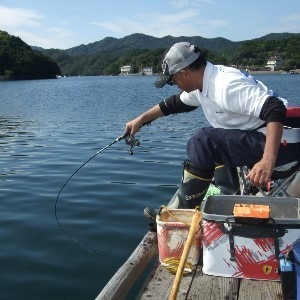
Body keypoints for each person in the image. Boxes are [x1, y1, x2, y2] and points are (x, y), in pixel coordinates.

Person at [125, 42, 300, 215]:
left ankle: (178, 213)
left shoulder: (224, 85)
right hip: (268, 137)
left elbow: (275, 109)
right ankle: (228, 201)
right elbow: (173, 104)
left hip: (285, 144)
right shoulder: (203, 82)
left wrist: (267, 161)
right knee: (217, 135)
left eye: (172, 81)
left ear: (184, 74)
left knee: (204, 141)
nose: (174, 85)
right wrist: (140, 120)